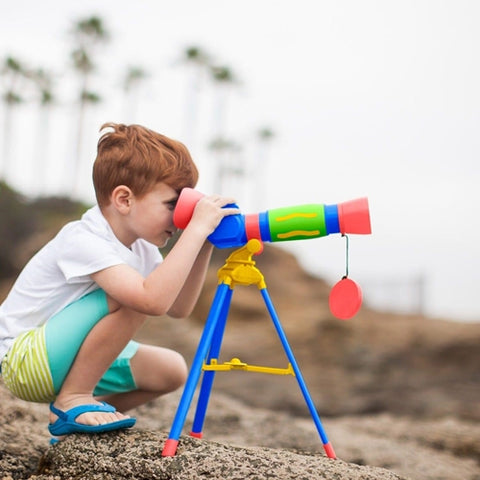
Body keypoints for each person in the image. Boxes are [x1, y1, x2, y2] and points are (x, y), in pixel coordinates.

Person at [0, 122, 239, 437]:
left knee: (171, 371)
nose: (180, 219)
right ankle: (73, 399)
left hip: (64, 357)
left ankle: (76, 421)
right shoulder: (84, 238)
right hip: (25, 360)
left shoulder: (140, 247)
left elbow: (178, 308)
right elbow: (151, 300)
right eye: (173, 205)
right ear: (124, 200)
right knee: (134, 298)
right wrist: (195, 230)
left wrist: (204, 243)